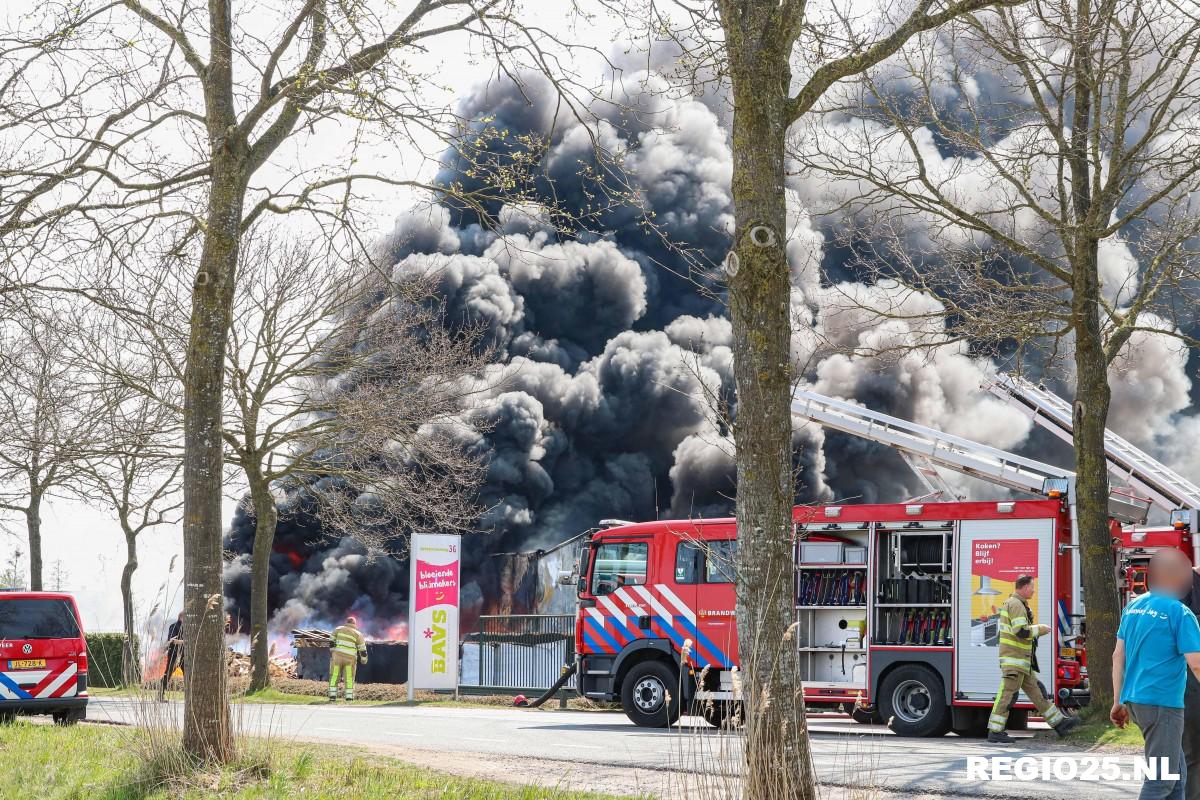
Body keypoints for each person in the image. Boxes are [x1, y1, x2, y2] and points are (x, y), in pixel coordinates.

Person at [1114, 549, 1200, 800]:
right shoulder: (1179, 612)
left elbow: (1117, 656)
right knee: (1161, 781)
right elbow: (1196, 664)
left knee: (1176, 777)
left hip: (1137, 700)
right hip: (1163, 703)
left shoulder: (1134, 607)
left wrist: (1117, 701)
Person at [987, 574, 1079, 743]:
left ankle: (1059, 724)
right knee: (1007, 696)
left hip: (1022, 662)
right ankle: (995, 731)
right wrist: (1040, 629)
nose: (1034, 590)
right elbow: (1020, 631)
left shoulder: (1017, 603)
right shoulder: (1016, 604)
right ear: (1024, 587)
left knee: (1038, 695)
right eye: (1032, 587)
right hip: (1015, 662)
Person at [328, 616, 368, 701]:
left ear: (346, 622)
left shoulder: (338, 629)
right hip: (350, 660)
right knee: (349, 677)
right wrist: (364, 660)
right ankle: (349, 697)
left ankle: (332, 696)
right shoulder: (358, 634)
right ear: (354, 624)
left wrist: (332, 650)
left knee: (334, 675)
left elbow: (331, 640)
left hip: (337, 657)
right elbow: (362, 649)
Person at [158, 611, 184, 701]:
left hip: (184, 656)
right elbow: (172, 640)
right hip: (174, 654)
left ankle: (191, 697)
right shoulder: (174, 626)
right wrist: (186, 641)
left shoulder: (188, 627)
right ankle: (160, 696)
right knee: (167, 674)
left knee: (189, 676)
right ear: (181, 617)